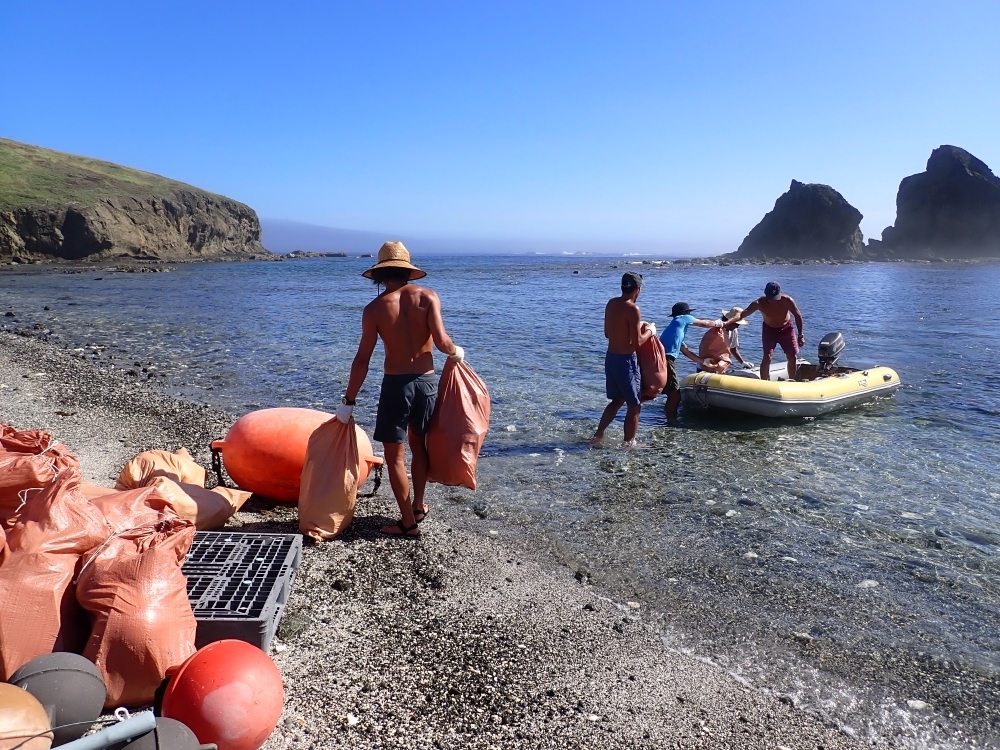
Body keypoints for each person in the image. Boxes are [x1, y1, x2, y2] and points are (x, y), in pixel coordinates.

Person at [341, 241, 464, 539]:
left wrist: (349, 400)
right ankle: (419, 506)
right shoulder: (428, 297)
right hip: (427, 383)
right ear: (408, 271)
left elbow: (362, 360)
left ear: (381, 275)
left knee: (395, 457)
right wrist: (457, 352)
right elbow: (442, 342)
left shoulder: (374, 310)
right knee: (419, 445)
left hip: (397, 386)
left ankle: (408, 523)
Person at [591, 272, 653, 446]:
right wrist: (650, 331)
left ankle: (598, 436)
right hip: (626, 361)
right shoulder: (633, 308)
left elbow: (607, 334)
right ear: (637, 290)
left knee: (617, 400)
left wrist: (633, 328)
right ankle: (629, 443)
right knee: (634, 404)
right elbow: (638, 342)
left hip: (611, 358)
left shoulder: (611, 303)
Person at [725, 281, 805, 381]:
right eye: (771, 299)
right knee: (767, 356)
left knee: (791, 356)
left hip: (787, 329)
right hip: (769, 330)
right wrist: (728, 322)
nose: (774, 301)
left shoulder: (787, 300)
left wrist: (800, 335)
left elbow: (798, 316)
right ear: (766, 294)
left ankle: (792, 380)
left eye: (776, 298)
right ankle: (764, 382)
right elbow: (742, 314)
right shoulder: (758, 303)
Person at [659, 302, 724, 422]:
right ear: (686, 314)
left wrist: (702, 361)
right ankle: (671, 422)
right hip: (666, 360)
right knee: (675, 395)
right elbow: (704, 323)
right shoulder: (682, 318)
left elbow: (686, 351)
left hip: (660, 360)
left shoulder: (676, 330)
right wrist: (718, 323)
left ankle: (668, 417)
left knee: (671, 392)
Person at [697, 306, 753, 372]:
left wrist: (742, 362)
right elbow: (705, 349)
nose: (738, 326)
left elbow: (733, 348)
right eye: (737, 324)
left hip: (721, 366)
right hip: (706, 365)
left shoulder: (733, 330)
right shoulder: (715, 330)